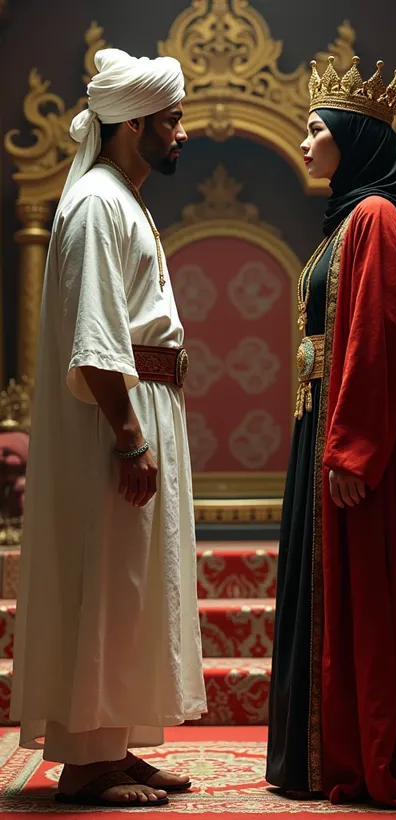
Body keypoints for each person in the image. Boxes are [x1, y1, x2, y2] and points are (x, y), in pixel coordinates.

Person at [266, 54, 396, 807]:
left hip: (352, 443)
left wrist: (353, 448)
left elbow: (379, 339)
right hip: (318, 429)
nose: (306, 141)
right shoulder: (347, 223)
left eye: (316, 129)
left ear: (353, 138)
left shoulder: (376, 221)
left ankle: (366, 752)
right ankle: (323, 753)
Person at [10, 47, 207, 808]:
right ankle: (86, 764)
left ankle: (113, 746)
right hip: (114, 422)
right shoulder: (96, 202)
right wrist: (129, 435)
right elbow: (96, 337)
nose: (181, 132)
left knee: (133, 584)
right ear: (132, 126)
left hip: (143, 406)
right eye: (172, 119)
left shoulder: (121, 197)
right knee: (111, 578)